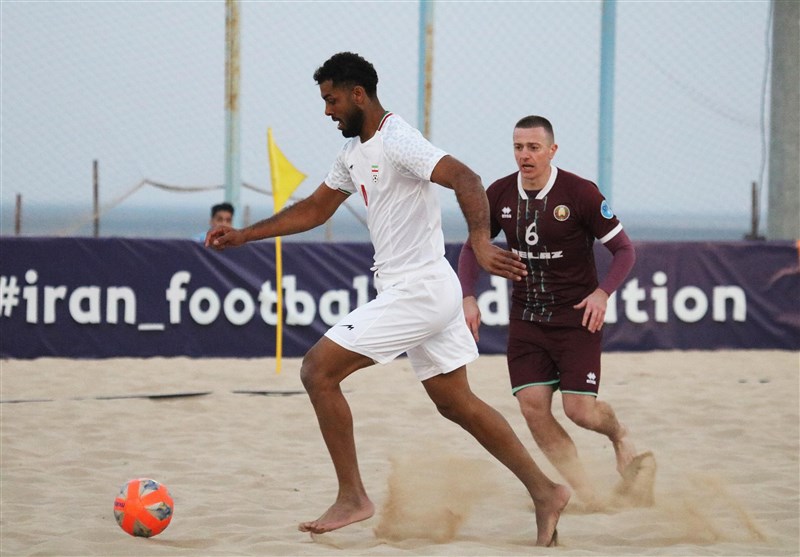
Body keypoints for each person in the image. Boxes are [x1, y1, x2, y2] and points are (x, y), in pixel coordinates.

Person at [206, 53, 569, 546]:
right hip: (422, 288)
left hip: (418, 289)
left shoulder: (398, 140)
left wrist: (481, 241)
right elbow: (315, 209)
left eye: (332, 100)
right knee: (457, 402)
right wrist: (245, 235)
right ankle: (546, 491)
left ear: (359, 95)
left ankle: (353, 496)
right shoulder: (352, 154)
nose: (327, 111)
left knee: (317, 370)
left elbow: (466, 178)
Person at [458, 115, 646, 509]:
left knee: (580, 412)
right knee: (533, 409)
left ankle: (620, 435)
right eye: (518, 147)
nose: (524, 156)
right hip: (527, 320)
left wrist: (601, 293)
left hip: (576, 318)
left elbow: (625, 251)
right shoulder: (500, 195)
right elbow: (473, 245)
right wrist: (467, 296)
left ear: (552, 151)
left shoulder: (580, 194)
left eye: (533, 148)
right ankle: (589, 494)